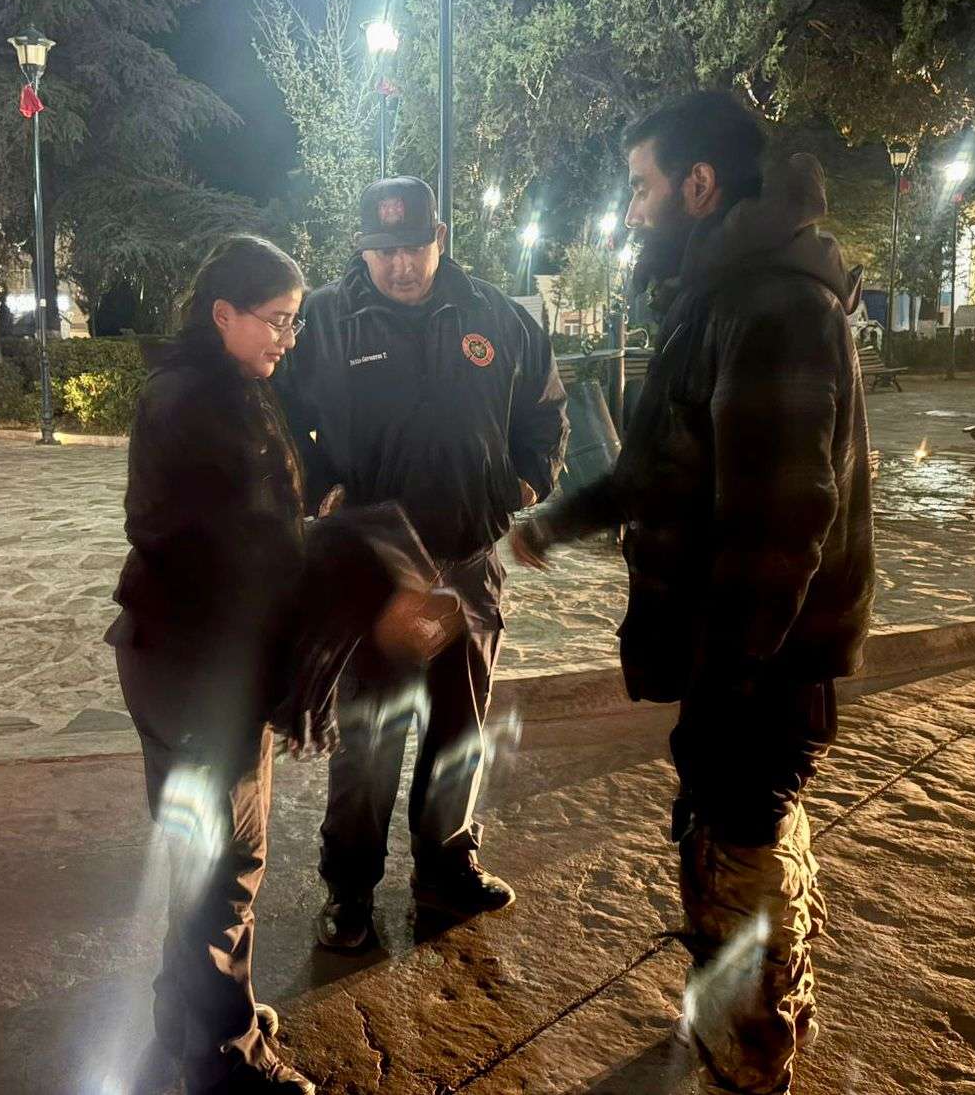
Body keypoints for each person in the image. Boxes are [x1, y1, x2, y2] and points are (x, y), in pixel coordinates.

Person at [510, 92, 875, 1095]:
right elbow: (660, 463)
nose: (631, 210)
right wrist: (555, 521)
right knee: (747, 832)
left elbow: (781, 524)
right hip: (738, 655)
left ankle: (748, 1059)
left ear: (698, 185)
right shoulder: (720, 297)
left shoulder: (770, 307)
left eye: (641, 187)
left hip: (758, 663)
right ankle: (752, 1023)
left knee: (737, 851)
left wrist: (725, 679)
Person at [106, 235, 445, 1095]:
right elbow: (241, 550)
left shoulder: (213, 386)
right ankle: (225, 1056)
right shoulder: (199, 405)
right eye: (278, 320)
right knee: (226, 866)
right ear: (223, 313)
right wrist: (355, 550)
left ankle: (190, 1016)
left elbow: (250, 530)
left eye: (295, 322)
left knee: (205, 857)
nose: (288, 338)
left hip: (189, 662)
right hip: (199, 674)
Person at [274, 177, 568, 950]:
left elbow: (544, 410)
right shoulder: (324, 321)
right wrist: (315, 487)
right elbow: (279, 418)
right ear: (363, 248)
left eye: (413, 246)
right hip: (373, 572)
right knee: (369, 736)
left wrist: (527, 480)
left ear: (440, 237)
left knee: (459, 723)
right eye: (385, 251)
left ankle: (446, 868)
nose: (401, 264)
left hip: (468, 559)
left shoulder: (497, 316)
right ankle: (350, 889)